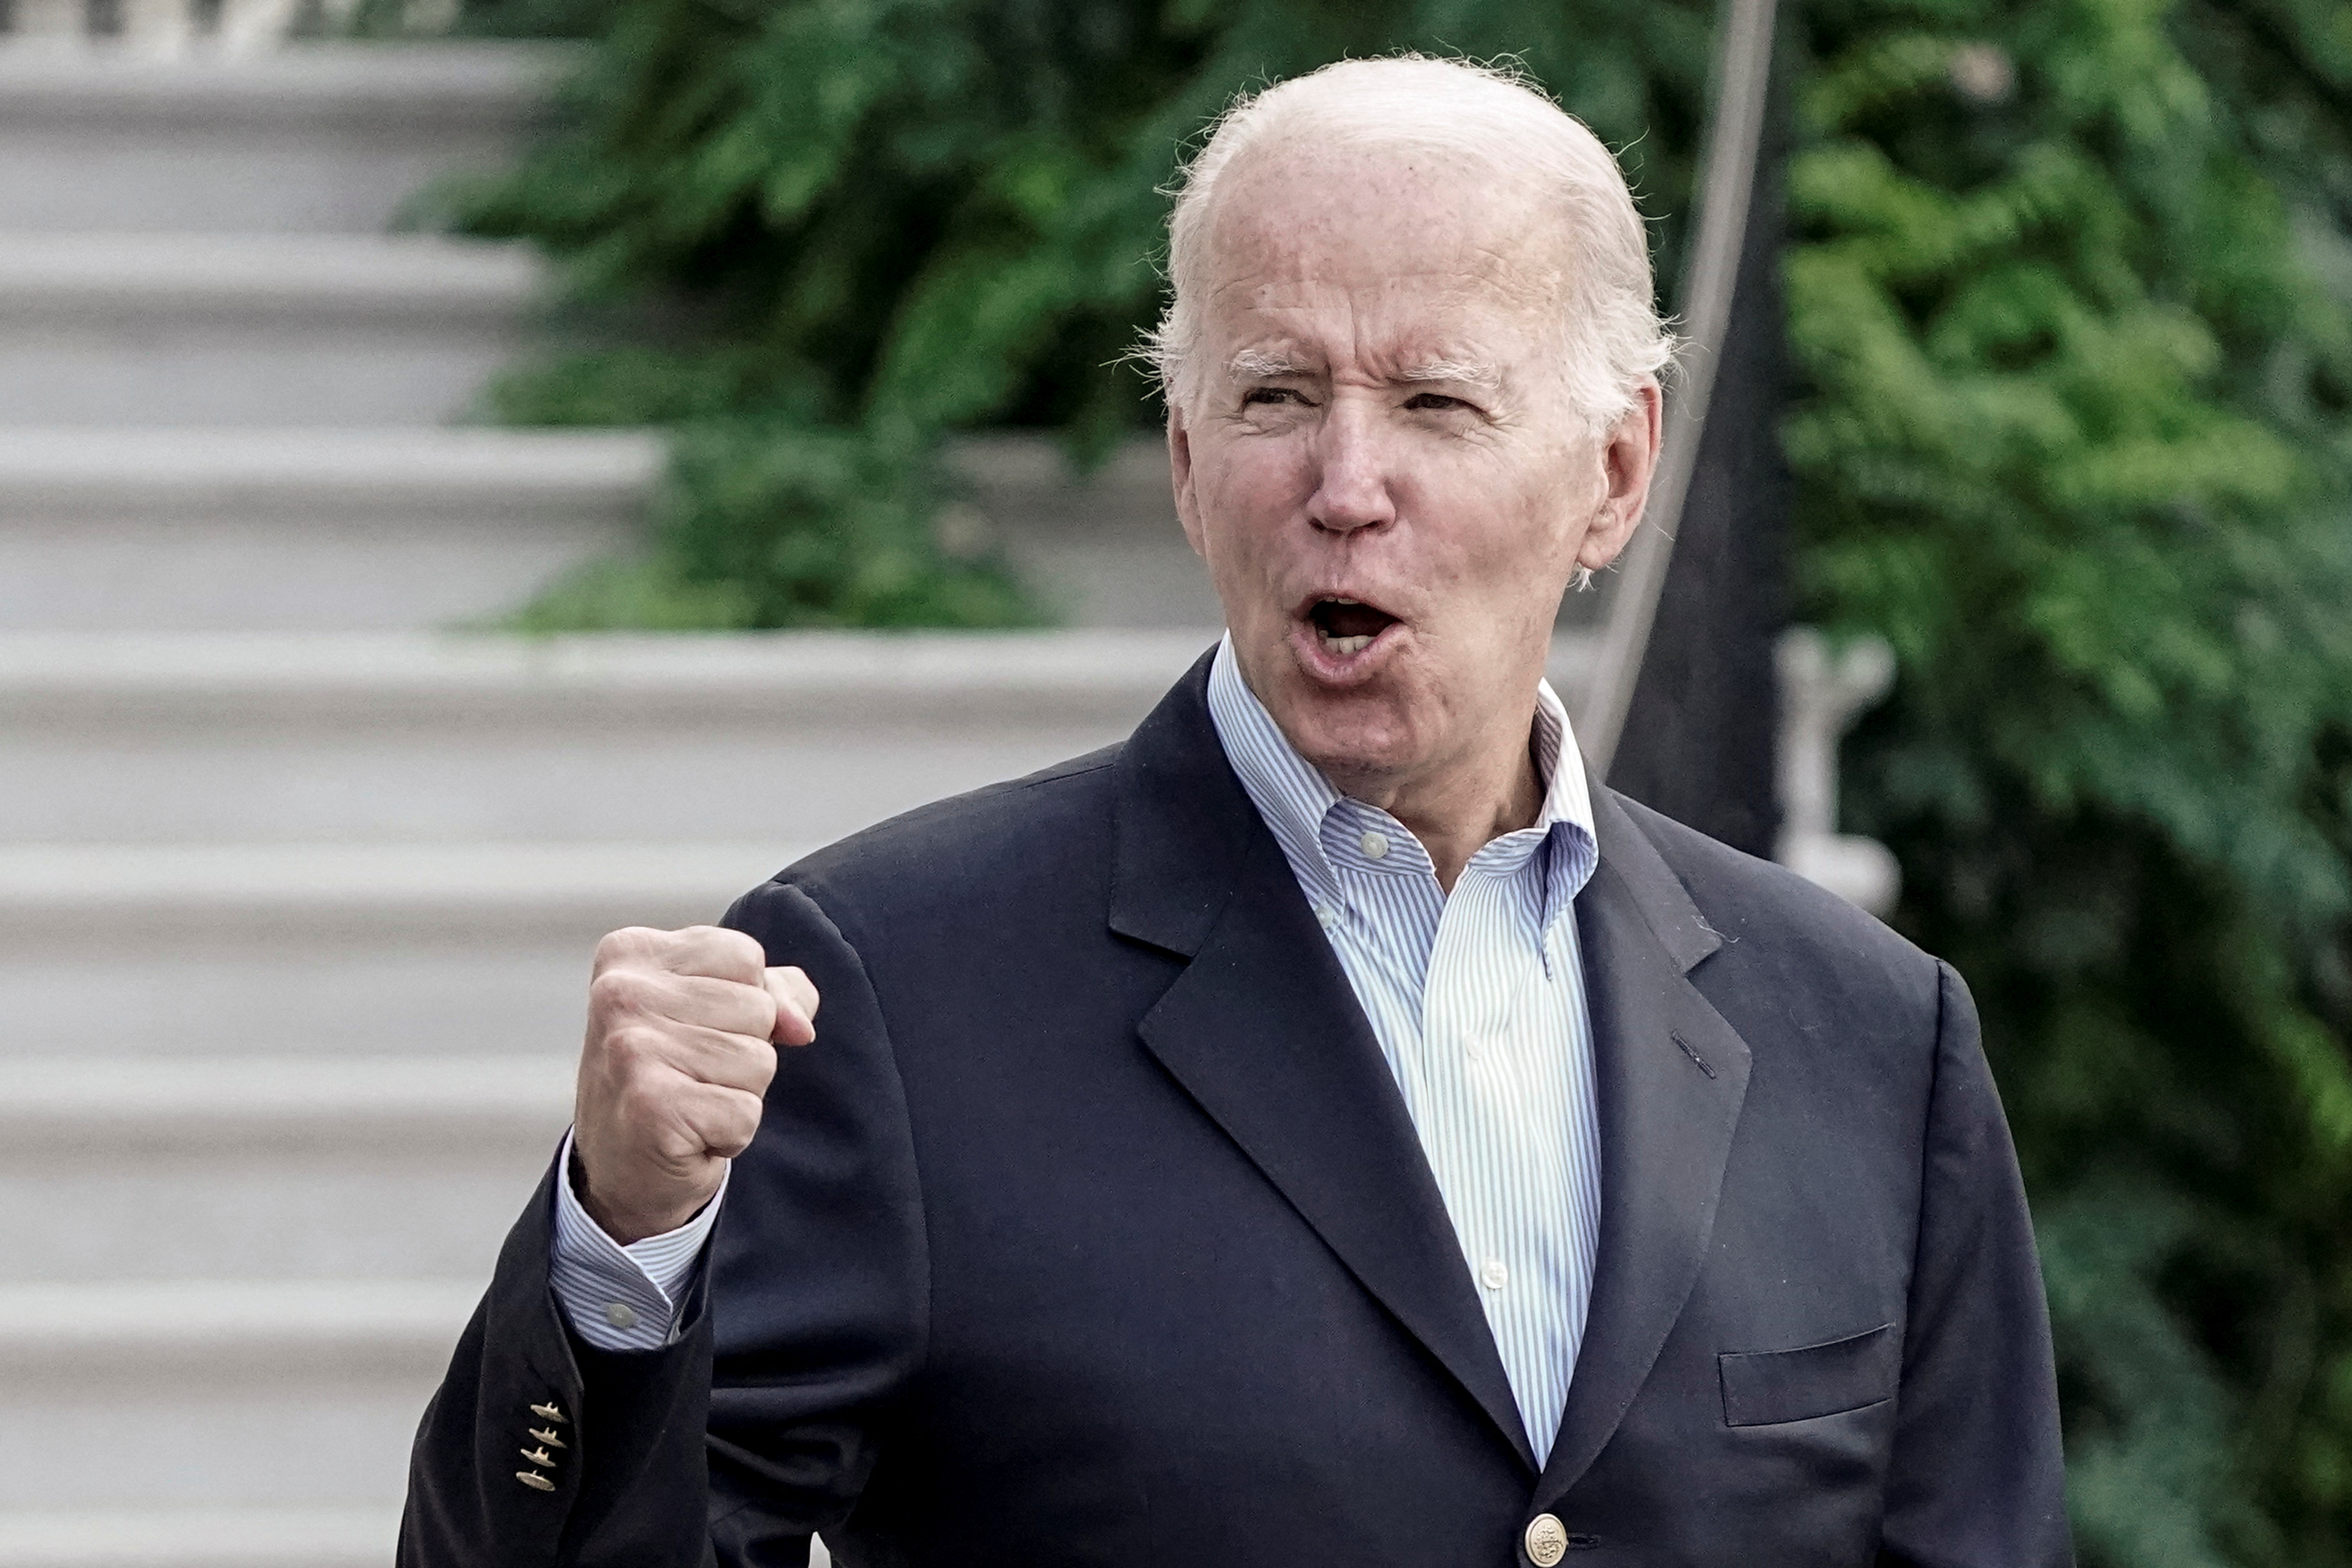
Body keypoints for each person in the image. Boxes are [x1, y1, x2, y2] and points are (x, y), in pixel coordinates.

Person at [400, 55, 2070, 1568]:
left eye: (1435, 402)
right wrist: (624, 1254)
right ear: (1192, 464)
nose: (1347, 485)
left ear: (1615, 474)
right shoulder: (889, 992)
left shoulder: (1870, 1035)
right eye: (1277, 397)